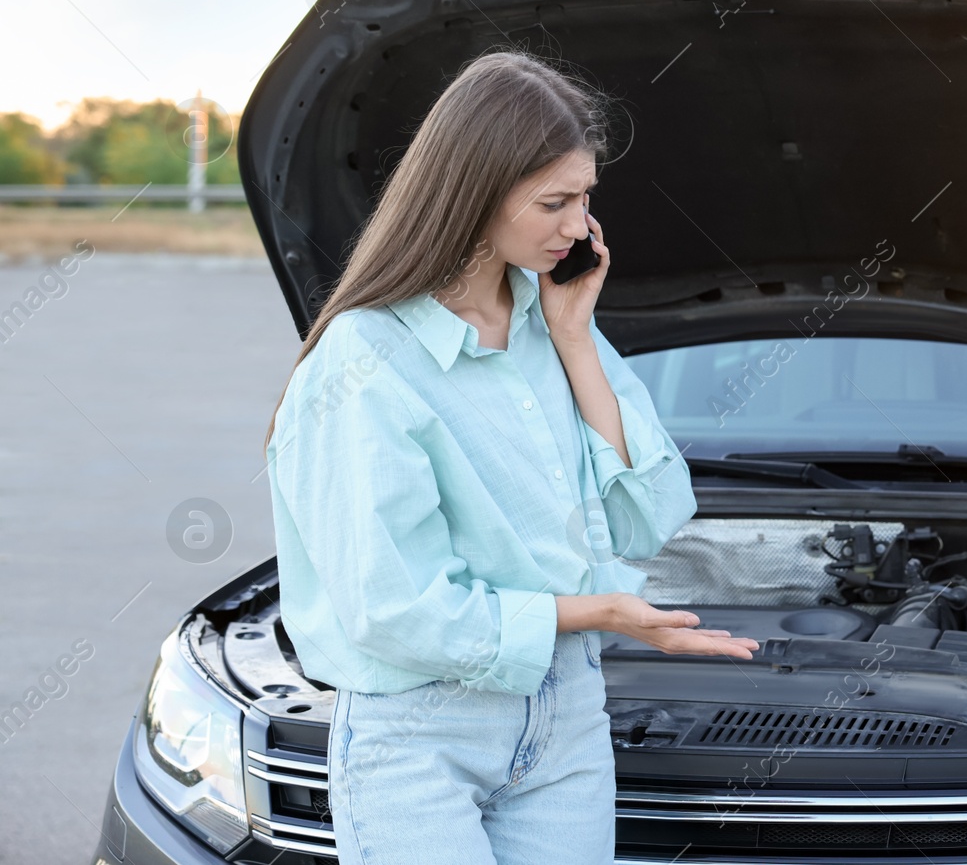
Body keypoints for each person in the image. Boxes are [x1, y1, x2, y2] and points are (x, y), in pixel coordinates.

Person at [262, 49, 760, 864]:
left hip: (567, 715)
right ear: (472, 195)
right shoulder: (363, 362)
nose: (578, 226)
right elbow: (396, 608)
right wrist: (601, 611)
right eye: (553, 202)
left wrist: (574, 339)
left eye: (586, 198)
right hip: (422, 735)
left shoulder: (553, 316)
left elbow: (647, 513)